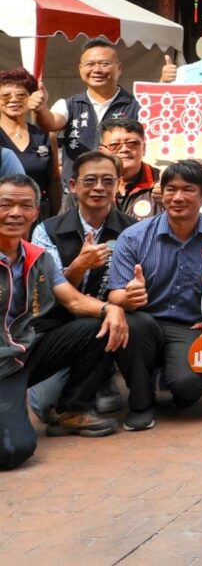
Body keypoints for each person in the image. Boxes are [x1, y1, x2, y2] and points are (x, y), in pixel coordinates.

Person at [0, 174, 127, 469]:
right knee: (12, 451)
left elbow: (73, 300)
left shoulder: (38, 257)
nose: (16, 213)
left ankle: (71, 409)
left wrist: (110, 309)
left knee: (97, 326)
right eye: (5, 205)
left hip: (22, 354)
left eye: (25, 206)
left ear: (35, 212)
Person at [106, 159, 202, 428]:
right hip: (145, 322)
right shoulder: (133, 237)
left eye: (188, 189)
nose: (178, 197)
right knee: (134, 322)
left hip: (191, 326)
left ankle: (180, 387)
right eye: (171, 189)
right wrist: (129, 297)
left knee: (187, 385)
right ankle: (141, 402)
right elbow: (114, 295)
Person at [28, 151, 131, 420]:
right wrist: (77, 268)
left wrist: (136, 292)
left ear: (118, 185)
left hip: (113, 323)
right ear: (73, 186)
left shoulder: (133, 231)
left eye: (108, 181)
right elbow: (49, 295)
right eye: (90, 180)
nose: (99, 187)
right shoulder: (46, 231)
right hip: (58, 326)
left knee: (130, 320)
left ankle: (99, 379)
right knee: (43, 406)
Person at [33, 39, 139, 183]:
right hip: (76, 189)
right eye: (90, 64)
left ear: (119, 68)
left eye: (105, 64)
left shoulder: (136, 105)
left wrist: (164, 86)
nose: (97, 70)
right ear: (80, 69)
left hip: (120, 188)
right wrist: (40, 109)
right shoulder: (68, 105)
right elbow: (50, 123)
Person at [0, 69, 53, 215]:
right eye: (6, 95)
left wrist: (55, 215)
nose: (14, 100)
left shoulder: (44, 136)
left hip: (40, 212)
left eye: (21, 95)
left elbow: (54, 181)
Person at [99, 120, 160, 224]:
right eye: (114, 145)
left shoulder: (162, 184)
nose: (124, 149)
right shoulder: (88, 185)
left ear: (144, 148)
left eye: (132, 143)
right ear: (102, 151)